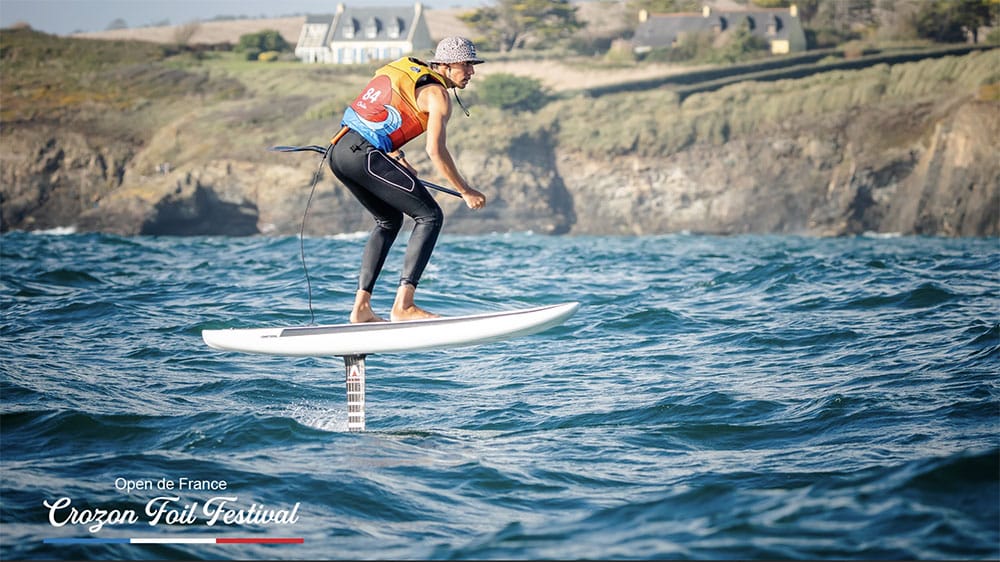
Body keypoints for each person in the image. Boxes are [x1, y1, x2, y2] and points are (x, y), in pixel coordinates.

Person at [327, 37, 487, 323]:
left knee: (389, 221)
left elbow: (378, 113)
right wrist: (465, 190)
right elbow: (435, 151)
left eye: (473, 65)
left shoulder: (411, 74)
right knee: (430, 216)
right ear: (447, 65)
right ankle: (404, 306)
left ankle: (361, 308)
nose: (471, 72)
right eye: (466, 65)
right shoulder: (438, 95)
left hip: (340, 153)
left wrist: (397, 157)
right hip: (364, 155)